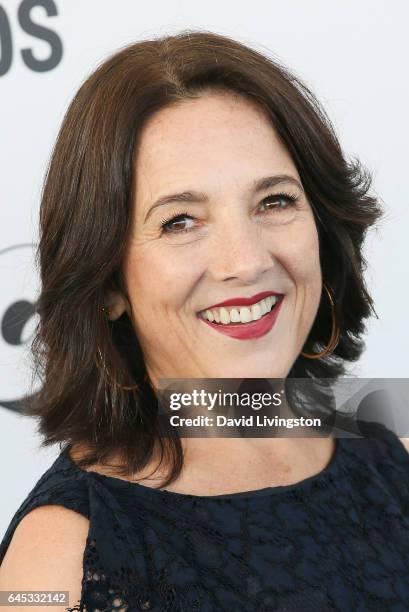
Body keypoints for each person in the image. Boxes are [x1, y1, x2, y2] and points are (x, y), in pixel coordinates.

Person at [1, 29, 409, 612]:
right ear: (109, 283)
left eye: (275, 201)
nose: (246, 261)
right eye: (180, 221)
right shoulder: (57, 564)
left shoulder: (393, 451)